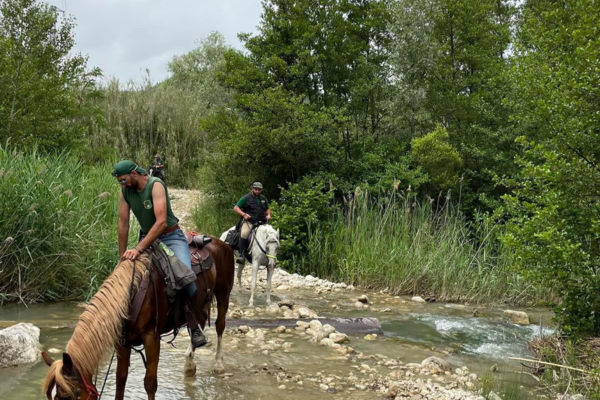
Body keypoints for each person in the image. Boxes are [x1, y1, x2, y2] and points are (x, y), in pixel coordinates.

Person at [112, 160, 206, 348]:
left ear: (133, 173)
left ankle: (195, 327)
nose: (122, 185)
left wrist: (138, 249)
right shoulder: (125, 192)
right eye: (120, 182)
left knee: (187, 278)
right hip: (147, 238)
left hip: (171, 237)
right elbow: (123, 224)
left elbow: (161, 222)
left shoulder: (155, 185)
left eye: (123, 180)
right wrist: (122, 256)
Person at [232, 182, 271, 264]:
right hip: (250, 221)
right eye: (255, 189)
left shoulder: (263, 199)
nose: (257, 191)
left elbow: (267, 208)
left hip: (261, 222)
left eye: (259, 189)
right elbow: (236, 208)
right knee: (244, 234)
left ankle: (270, 256)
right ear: (252, 189)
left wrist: (269, 214)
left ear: (261, 190)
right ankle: (241, 255)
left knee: (271, 233)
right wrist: (243, 214)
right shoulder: (245, 198)